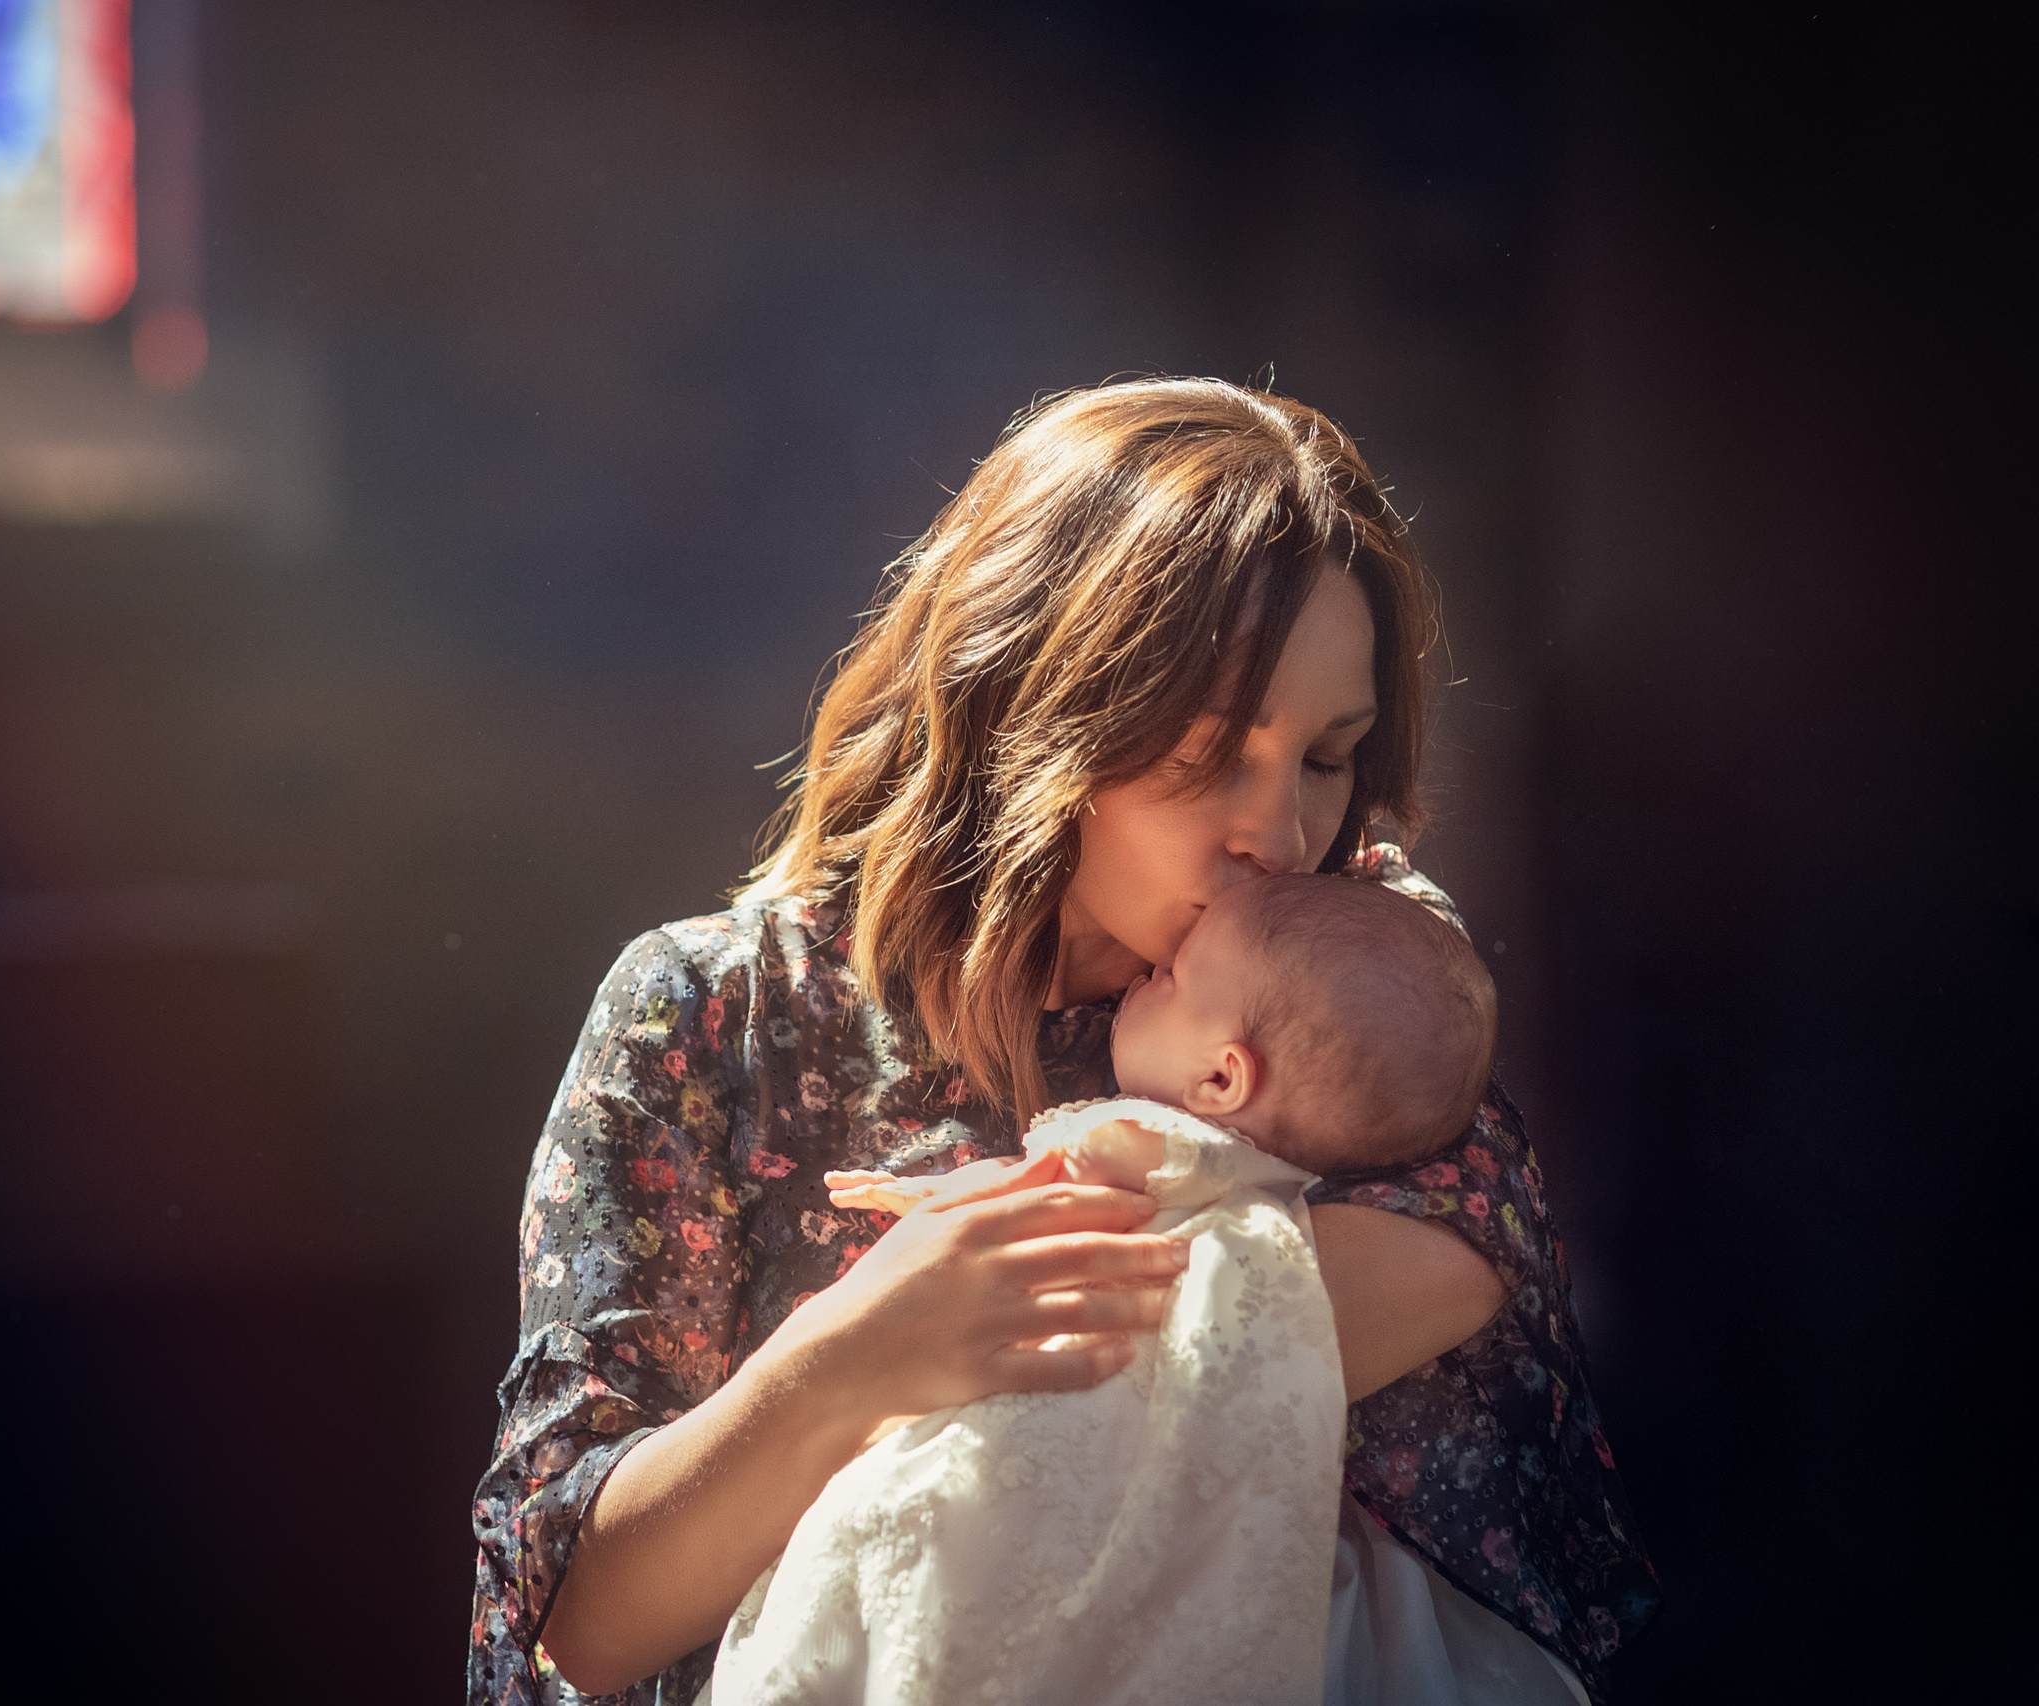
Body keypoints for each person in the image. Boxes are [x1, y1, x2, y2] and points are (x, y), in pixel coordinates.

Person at [469, 378, 1656, 1706]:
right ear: (1035, 714)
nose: (1279, 834)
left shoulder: (1359, 971)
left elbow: (1455, 1257)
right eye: (1209, 756)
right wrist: (855, 1351)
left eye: (1328, 755)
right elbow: (576, 1613)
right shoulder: (708, 1012)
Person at [704, 872, 1586, 1704]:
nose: (1142, 983)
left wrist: (931, 1198)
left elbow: (1040, 1182)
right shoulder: (1292, 1189)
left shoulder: (1154, 1139)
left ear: (1222, 1077)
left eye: (1169, 978)